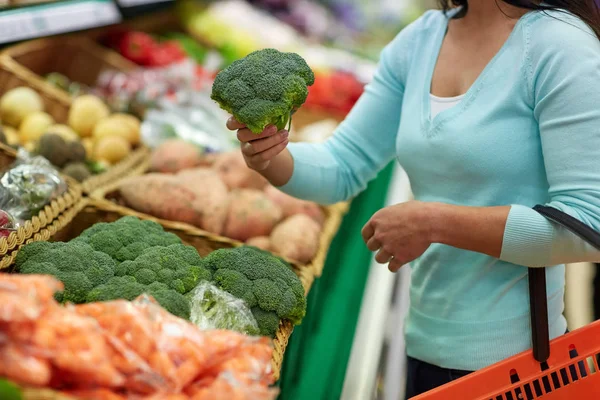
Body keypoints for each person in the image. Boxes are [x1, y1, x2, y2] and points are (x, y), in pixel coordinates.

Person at [225, 0, 600, 397]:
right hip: (424, 347)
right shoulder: (422, 39)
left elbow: (588, 225)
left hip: (519, 368)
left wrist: (435, 223)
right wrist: (270, 156)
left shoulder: (559, 44)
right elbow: (343, 166)